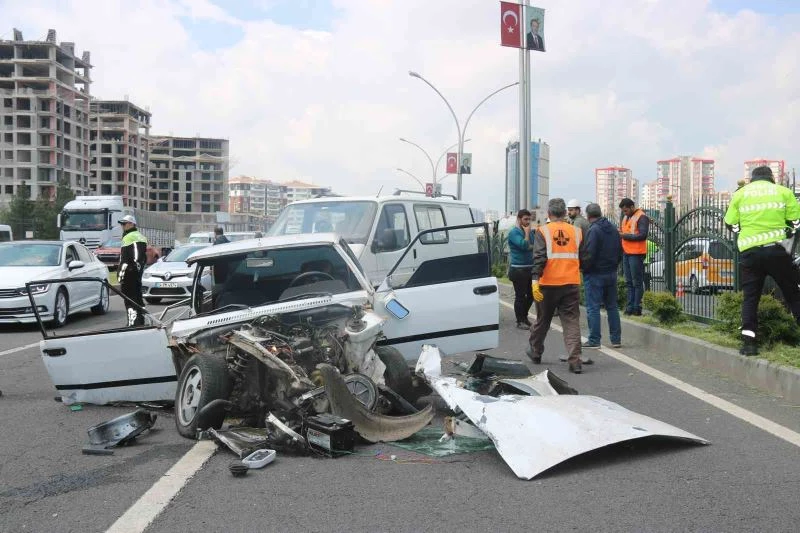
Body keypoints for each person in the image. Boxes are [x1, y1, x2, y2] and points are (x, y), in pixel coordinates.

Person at [723, 165, 800, 356]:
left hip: (750, 253)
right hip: (777, 251)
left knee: (750, 297)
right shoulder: (783, 192)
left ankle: (749, 343)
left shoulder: (741, 194)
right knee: (792, 292)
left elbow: (730, 223)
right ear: (771, 178)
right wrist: (787, 231)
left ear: (752, 179)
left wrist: (743, 232)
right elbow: (796, 221)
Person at [526, 198, 586, 374]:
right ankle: (575, 361)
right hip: (571, 283)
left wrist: (534, 281)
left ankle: (536, 352)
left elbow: (539, 258)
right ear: (565, 213)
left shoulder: (542, 231)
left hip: (548, 284)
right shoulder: (577, 231)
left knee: (543, 319)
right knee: (571, 321)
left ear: (549, 213)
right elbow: (584, 257)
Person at [581, 203, 622, 349]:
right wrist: (614, 266)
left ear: (588, 215)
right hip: (611, 272)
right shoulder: (612, 228)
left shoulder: (594, 230)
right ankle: (616, 339)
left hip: (595, 274)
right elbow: (620, 251)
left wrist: (584, 268)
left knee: (593, 307)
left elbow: (589, 254)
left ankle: (594, 340)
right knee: (612, 307)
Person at [619, 198, 649, 316]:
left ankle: (637, 308)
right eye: (623, 211)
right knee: (629, 282)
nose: (624, 213)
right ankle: (630, 307)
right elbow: (625, 232)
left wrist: (624, 236)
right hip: (627, 253)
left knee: (636, 282)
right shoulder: (627, 218)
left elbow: (642, 235)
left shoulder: (642, 217)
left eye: (626, 210)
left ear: (632, 207)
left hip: (636, 254)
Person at [118, 214, 148, 327]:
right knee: (138, 297)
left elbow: (126, 258)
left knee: (129, 298)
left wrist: (122, 274)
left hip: (129, 272)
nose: (122, 226)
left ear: (131, 224)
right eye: (122, 224)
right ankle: (141, 321)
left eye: (124, 224)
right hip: (137, 272)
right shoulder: (141, 236)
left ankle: (132, 323)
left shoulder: (129, 237)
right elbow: (142, 257)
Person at [507, 209, 534, 330]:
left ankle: (524, 316)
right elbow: (524, 245)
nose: (528, 222)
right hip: (518, 269)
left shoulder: (531, 232)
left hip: (530, 268)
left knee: (532, 295)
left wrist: (528, 243)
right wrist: (527, 235)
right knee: (520, 296)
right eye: (525, 219)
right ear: (519, 219)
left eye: (529, 219)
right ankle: (520, 321)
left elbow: (534, 245)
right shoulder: (514, 232)